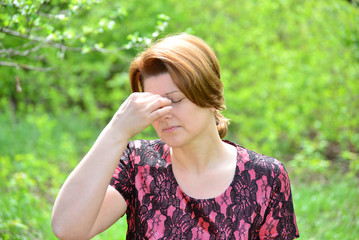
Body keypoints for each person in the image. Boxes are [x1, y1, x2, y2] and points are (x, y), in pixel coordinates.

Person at [51, 33, 299, 239]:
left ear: (212, 94)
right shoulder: (139, 164)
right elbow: (68, 229)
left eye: (175, 100)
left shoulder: (267, 177)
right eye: (155, 105)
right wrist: (117, 130)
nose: (164, 114)